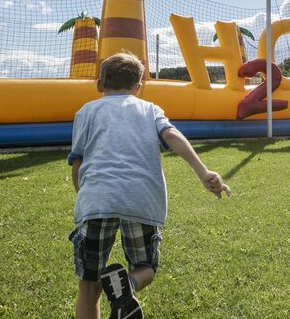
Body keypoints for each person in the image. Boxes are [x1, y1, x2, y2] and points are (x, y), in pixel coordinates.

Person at [69, 52, 231, 319]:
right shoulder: (150, 109)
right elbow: (171, 134)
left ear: (99, 84)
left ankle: (118, 287)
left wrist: (84, 198)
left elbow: (78, 163)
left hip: (97, 201)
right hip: (141, 201)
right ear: (139, 87)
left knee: (89, 284)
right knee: (146, 267)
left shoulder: (85, 112)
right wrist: (203, 172)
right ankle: (129, 284)